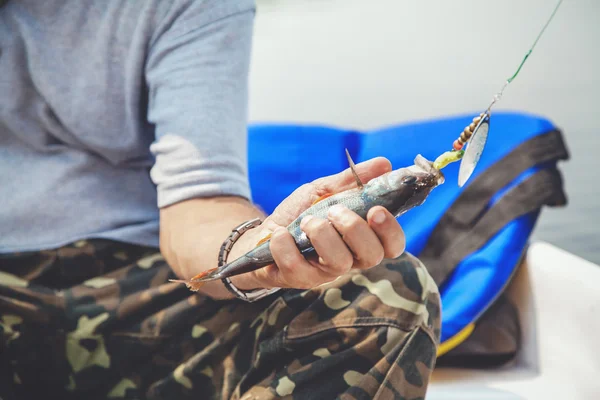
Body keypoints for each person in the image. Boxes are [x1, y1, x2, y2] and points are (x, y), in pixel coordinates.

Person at [0, 0, 441, 398]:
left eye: (416, 185)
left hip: (140, 279)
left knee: (390, 290)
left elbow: (198, 202)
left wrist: (255, 249)